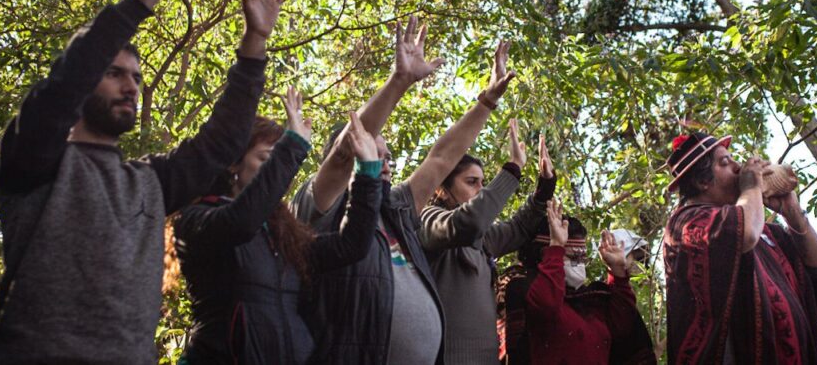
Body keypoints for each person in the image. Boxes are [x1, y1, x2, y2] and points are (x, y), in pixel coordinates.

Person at [0, 0, 288, 365]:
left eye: (136, 77)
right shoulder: (35, 160)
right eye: (114, 73)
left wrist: (255, 42)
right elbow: (67, 80)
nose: (130, 86)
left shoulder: (150, 181)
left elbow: (223, 142)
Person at [291, 22, 516, 365]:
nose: (383, 163)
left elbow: (441, 159)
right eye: (372, 151)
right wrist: (400, 81)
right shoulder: (322, 208)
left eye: (387, 156)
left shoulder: (395, 208)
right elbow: (343, 153)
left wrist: (487, 101)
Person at [173, 92, 383, 365]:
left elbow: (350, 246)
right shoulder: (196, 218)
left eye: (277, 161)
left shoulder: (281, 232)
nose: (275, 169)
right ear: (234, 163)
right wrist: (292, 145)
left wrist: (367, 173)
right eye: (266, 159)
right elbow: (240, 222)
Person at [662, 132, 817, 364]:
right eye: (725, 162)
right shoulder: (687, 222)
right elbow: (745, 234)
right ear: (702, 182)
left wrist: (792, 211)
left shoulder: (766, 230)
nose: (738, 167)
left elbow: (816, 267)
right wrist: (751, 186)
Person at [418, 120, 556, 365]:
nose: (481, 190)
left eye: (483, 183)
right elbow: (468, 223)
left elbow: (519, 228)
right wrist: (513, 168)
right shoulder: (429, 220)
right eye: (472, 182)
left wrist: (545, 187)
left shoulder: (481, 238)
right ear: (442, 189)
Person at [497, 200, 656, 365]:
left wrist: (617, 273)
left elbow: (623, 326)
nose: (579, 264)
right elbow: (547, 306)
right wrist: (556, 246)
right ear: (546, 254)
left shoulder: (590, 300)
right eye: (573, 257)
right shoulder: (522, 286)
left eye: (583, 258)